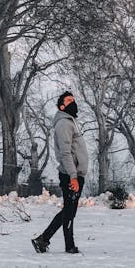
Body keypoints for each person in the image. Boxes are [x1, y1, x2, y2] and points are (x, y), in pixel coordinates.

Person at [32, 91, 88, 254]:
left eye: (74, 100)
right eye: (69, 100)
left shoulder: (70, 122)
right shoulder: (64, 123)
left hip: (75, 174)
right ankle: (67, 245)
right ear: (62, 106)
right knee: (69, 211)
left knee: (69, 211)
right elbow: (65, 152)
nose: (73, 102)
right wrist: (73, 176)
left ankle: (43, 240)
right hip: (71, 175)